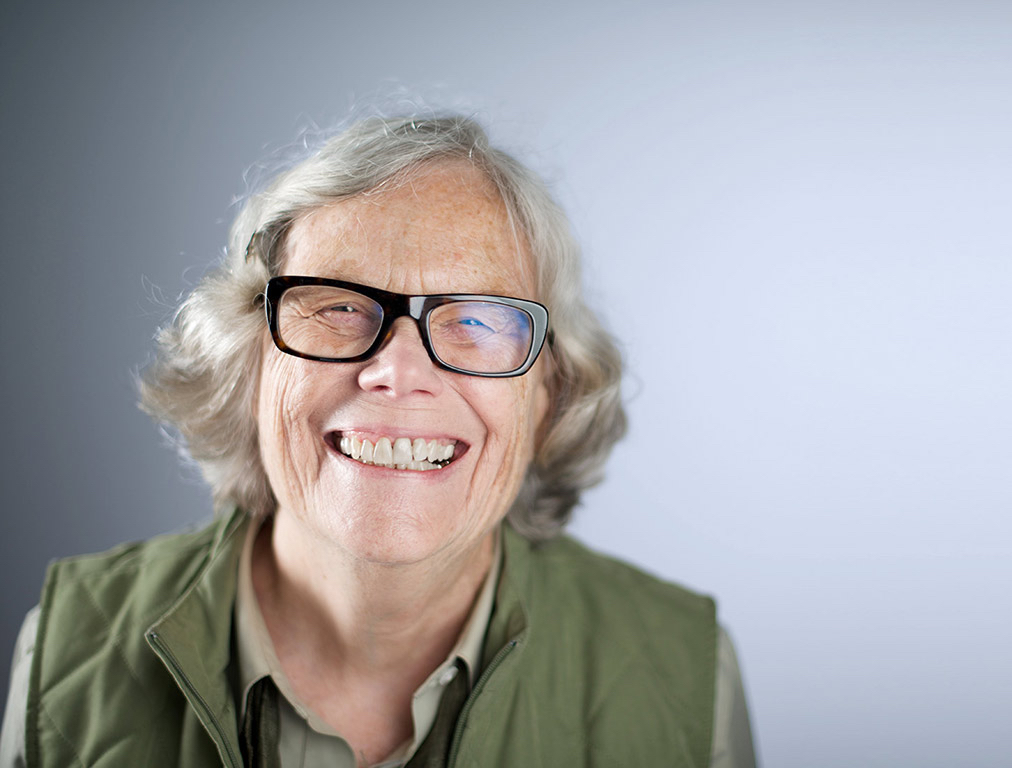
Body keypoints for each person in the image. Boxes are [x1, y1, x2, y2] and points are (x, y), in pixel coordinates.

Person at [1, 115, 756, 767]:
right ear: (248, 361)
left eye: (475, 320)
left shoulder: (687, 677)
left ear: (548, 394)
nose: (397, 372)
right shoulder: (65, 655)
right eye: (337, 306)